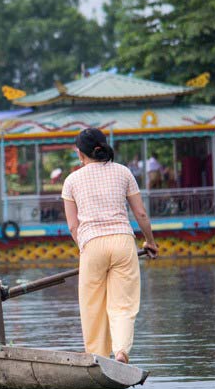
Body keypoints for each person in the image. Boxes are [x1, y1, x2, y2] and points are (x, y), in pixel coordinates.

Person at [61, 128, 158, 364]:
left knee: (92, 306)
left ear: (80, 154)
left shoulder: (72, 180)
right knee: (123, 304)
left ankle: (97, 358)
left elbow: (73, 226)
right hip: (123, 242)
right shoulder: (123, 173)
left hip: (92, 243)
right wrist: (150, 241)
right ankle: (122, 351)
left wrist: (84, 246)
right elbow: (141, 214)